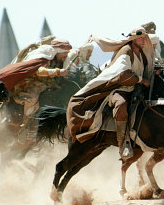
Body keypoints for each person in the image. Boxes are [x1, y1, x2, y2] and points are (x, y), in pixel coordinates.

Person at [66, 27, 154, 159]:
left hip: (136, 88)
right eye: (140, 38)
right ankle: (123, 144)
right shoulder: (126, 51)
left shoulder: (141, 53)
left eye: (144, 38)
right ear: (133, 39)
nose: (143, 40)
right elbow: (122, 74)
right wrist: (141, 80)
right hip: (119, 89)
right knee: (121, 104)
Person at [0, 38, 72, 125]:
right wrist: (57, 72)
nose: (66, 54)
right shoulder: (45, 55)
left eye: (67, 52)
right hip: (30, 82)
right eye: (64, 52)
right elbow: (39, 71)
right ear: (58, 51)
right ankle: (26, 122)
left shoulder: (62, 59)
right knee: (32, 98)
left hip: (48, 84)